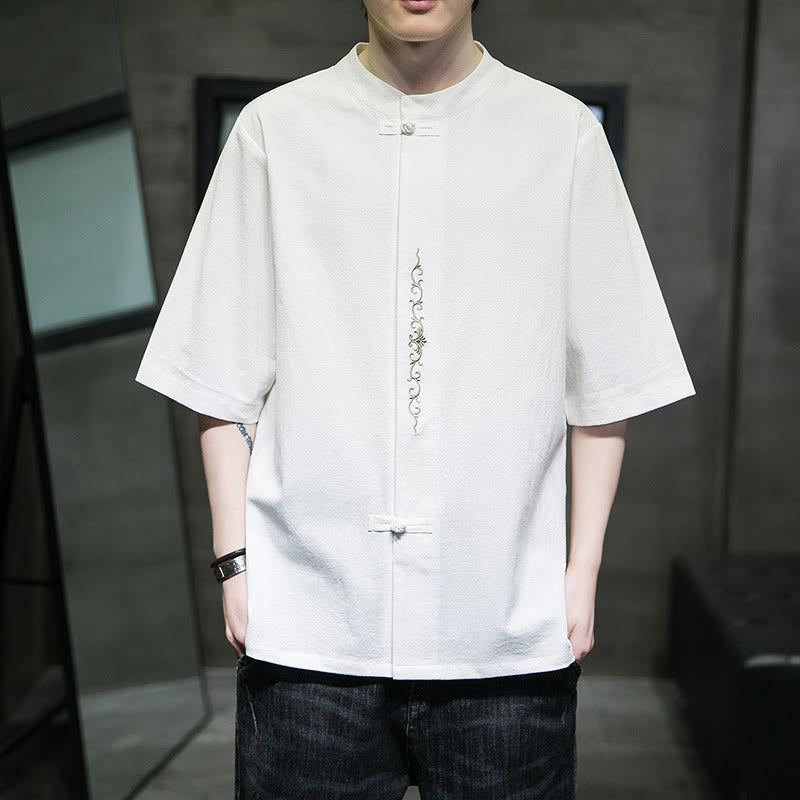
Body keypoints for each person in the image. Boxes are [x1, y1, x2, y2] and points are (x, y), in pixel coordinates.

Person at [135, 0, 696, 797]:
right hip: (309, 630)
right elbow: (218, 373)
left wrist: (582, 571)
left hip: (503, 628)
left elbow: (608, 381)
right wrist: (236, 566)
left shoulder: (561, 133)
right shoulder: (275, 129)